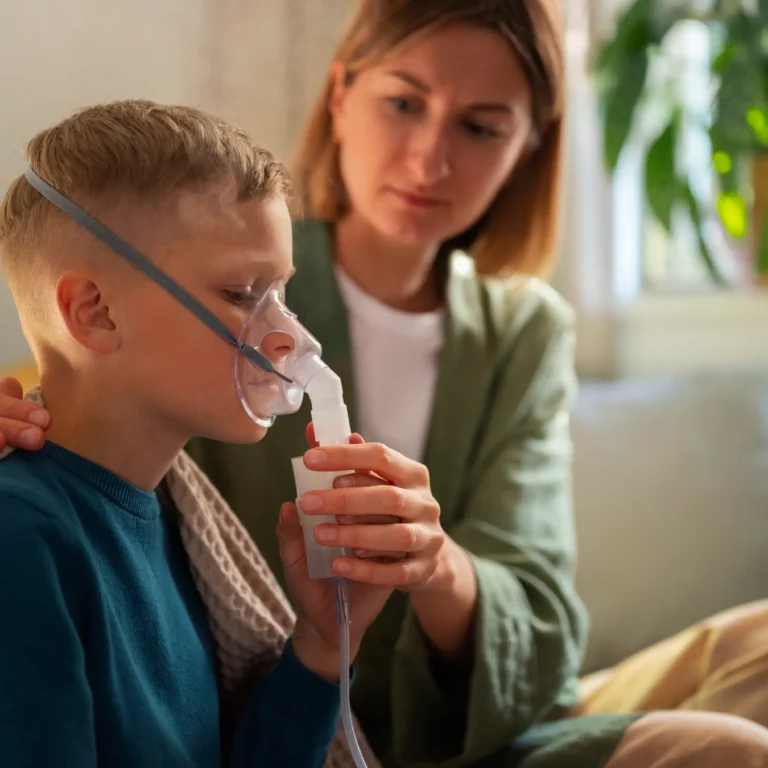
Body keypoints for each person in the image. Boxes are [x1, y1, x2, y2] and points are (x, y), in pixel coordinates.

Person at [3, 2, 768, 767]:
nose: (431, 159)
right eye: (404, 103)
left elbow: (538, 627)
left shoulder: (521, 335)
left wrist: (402, 581)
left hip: (459, 734)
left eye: (480, 126)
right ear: (341, 95)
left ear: (530, 146)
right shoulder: (61, 514)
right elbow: (81, 384)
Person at [0, 99, 395, 767]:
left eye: (280, 293)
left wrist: (323, 646)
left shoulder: (168, 512)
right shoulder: (21, 539)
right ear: (95, 312)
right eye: (242, 294)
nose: (286, 337)